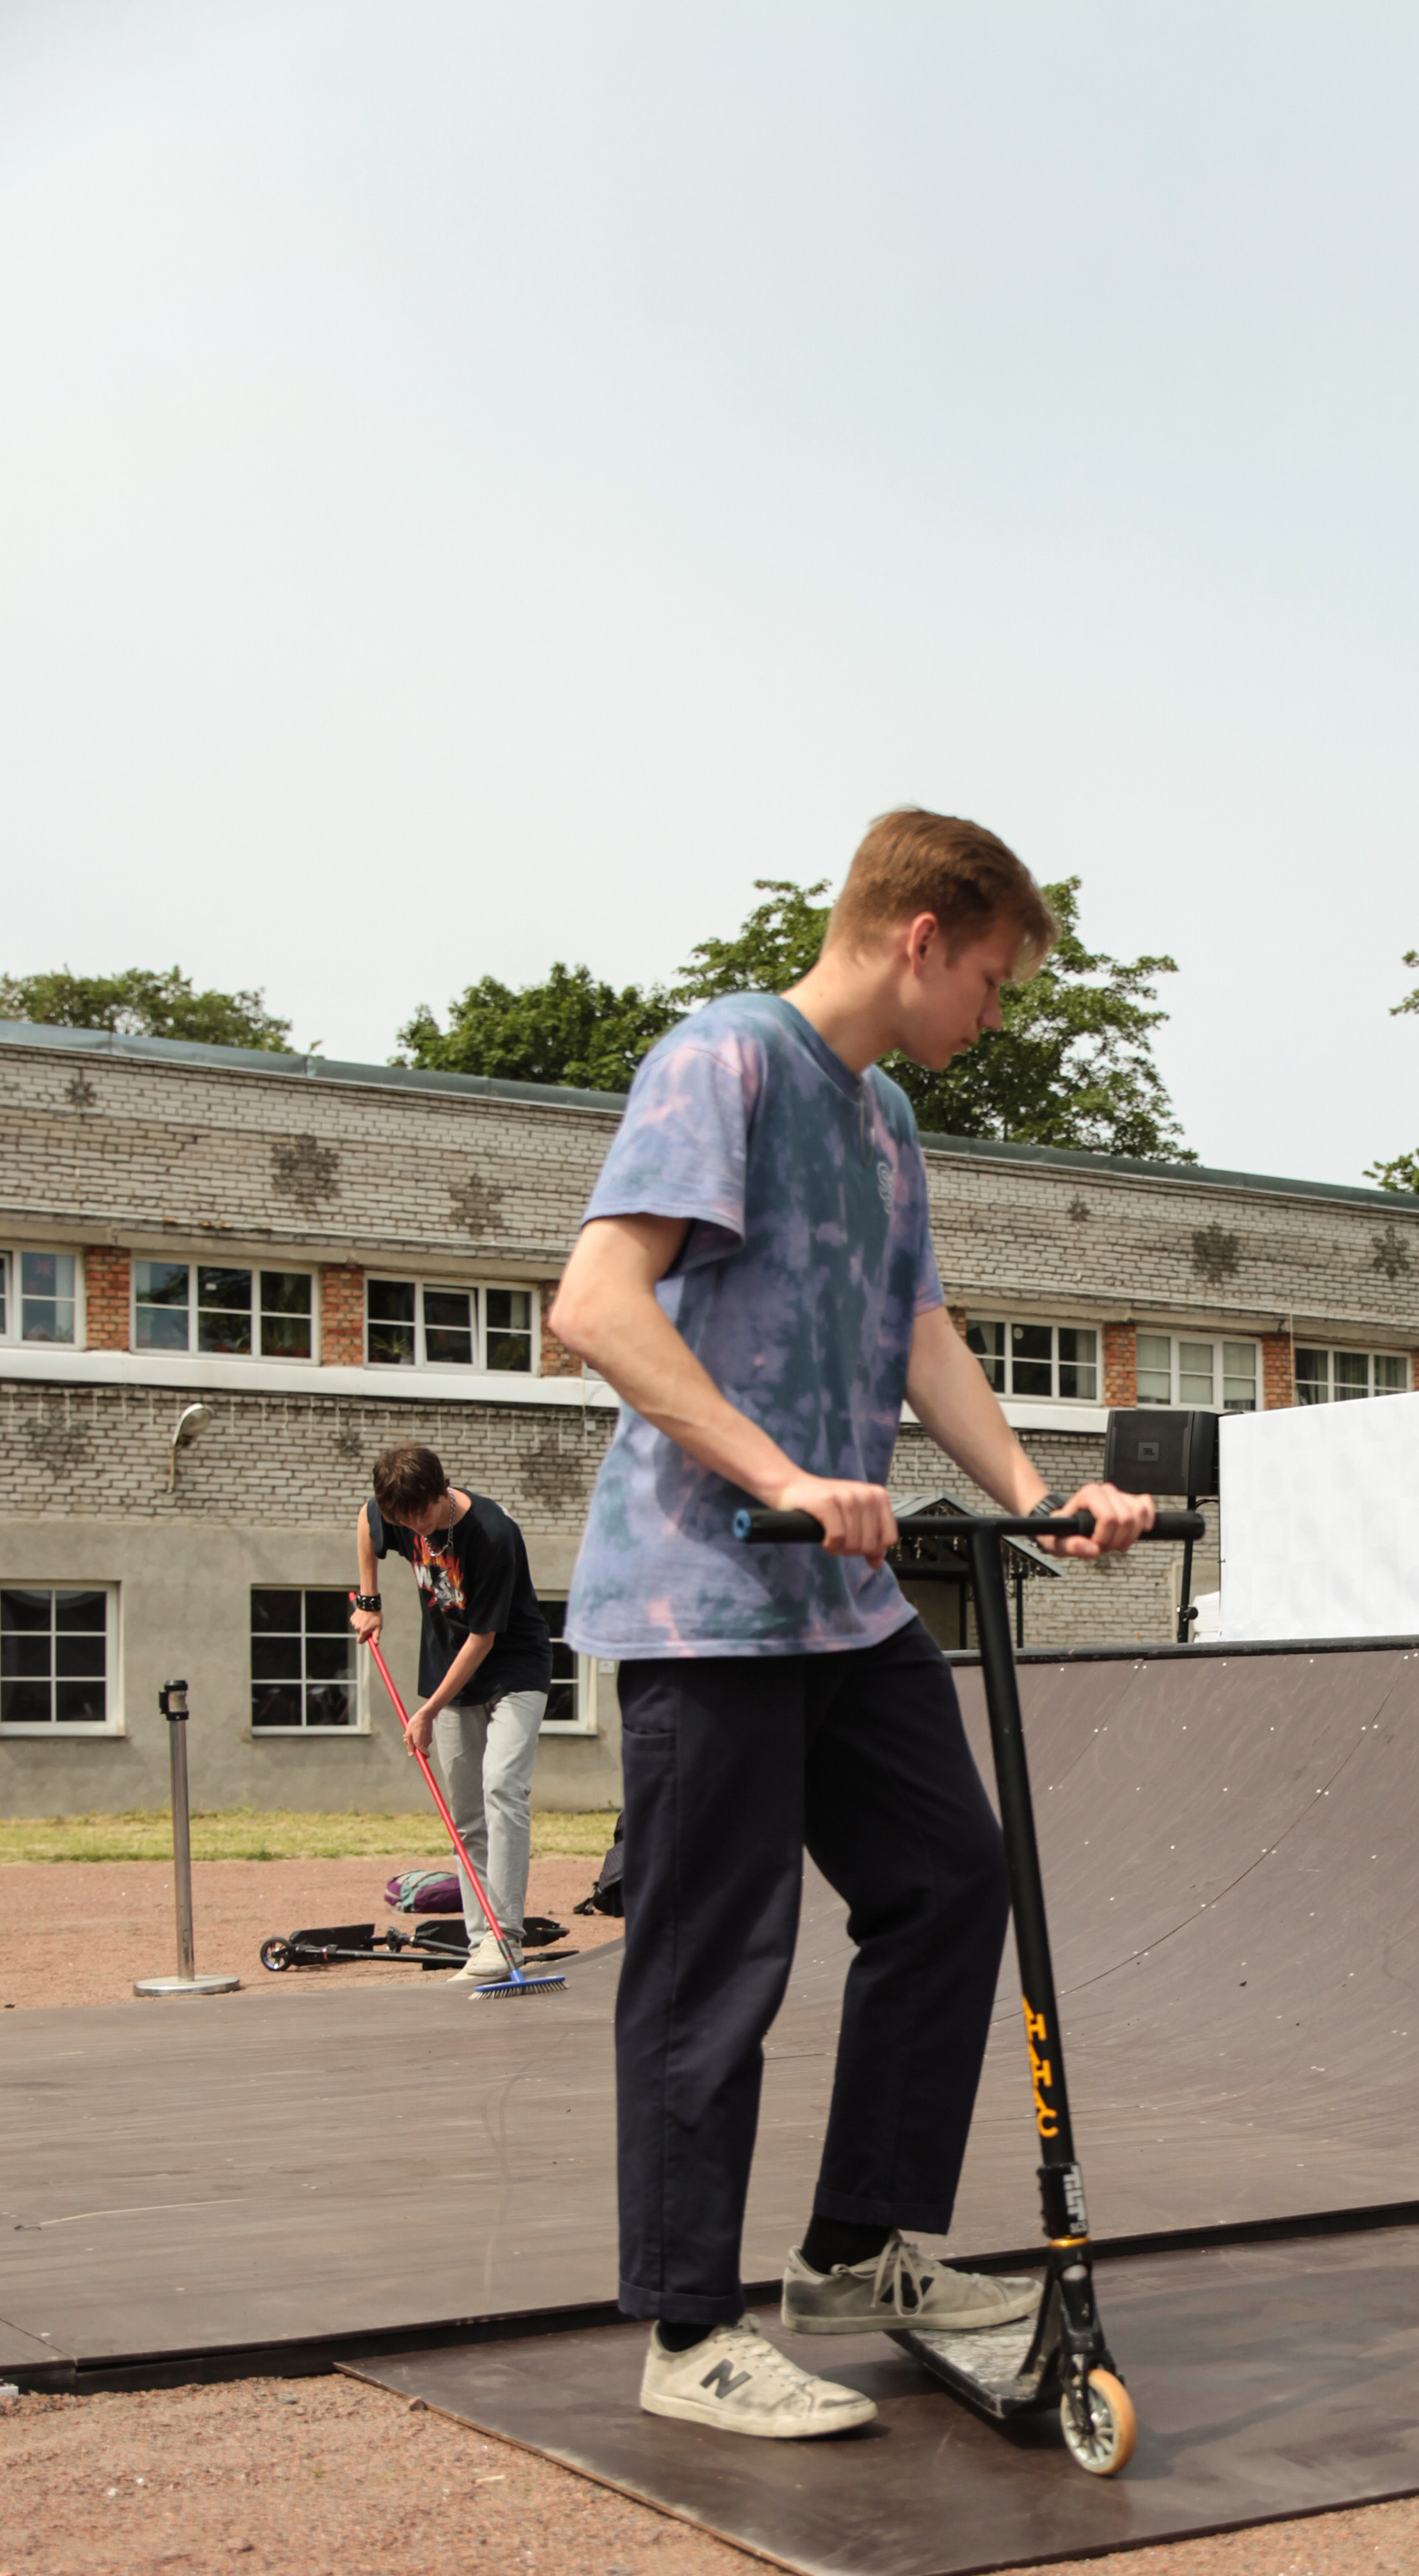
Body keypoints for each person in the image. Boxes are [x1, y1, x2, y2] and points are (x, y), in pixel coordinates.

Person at [545, 807, 1158, 2442]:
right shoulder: (726, 1059)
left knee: (952, 1880)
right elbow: (593, 1305)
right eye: (998, 981)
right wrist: (790, 1474)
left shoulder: (885, 1119)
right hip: (709, 1589)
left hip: (841, 1604)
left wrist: (1037, 1491)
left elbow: (919, 1340)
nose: (997, 1017)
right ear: (924, 937)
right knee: (717, 1962)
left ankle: (854, 2253)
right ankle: (689, 2333)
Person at [350, 1446, 554, 1989]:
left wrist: (427, 1711)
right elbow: (366, 1525)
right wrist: (370, 1600)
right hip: (449, 1676)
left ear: (443, 1489)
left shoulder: (490, 1534)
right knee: (465, 1813)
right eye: (404, 1518)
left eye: (423, 1512)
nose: (415, 1525)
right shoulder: (395, 1513)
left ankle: (505, 1934)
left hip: (513, 1671)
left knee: (502, 1789)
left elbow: (482, 1640)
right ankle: (479, 1940)